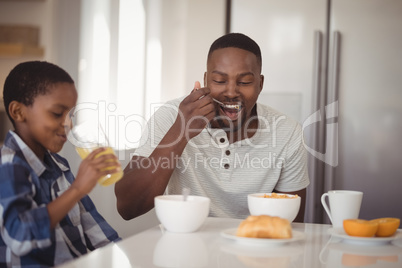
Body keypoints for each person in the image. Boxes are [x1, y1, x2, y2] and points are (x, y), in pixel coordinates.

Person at [115, 33, 310, 222]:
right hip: (184, 247)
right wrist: (181, 131)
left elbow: (292, 224)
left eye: (244, 82)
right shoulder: (171, 116)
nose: (231, 92)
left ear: (260, 84)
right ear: (206, 79)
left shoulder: (288, 131)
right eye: (219, 81)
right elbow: (128, 207)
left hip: (253, 249)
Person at [0, 61, 121, 267]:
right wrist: (77, 189)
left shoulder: (59, 165)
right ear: (18, 112)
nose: (68, 124)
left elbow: (95, 228)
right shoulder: (8, 167)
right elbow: (19, 236)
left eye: (71, 115)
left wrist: (121, 256)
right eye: (57, 113)